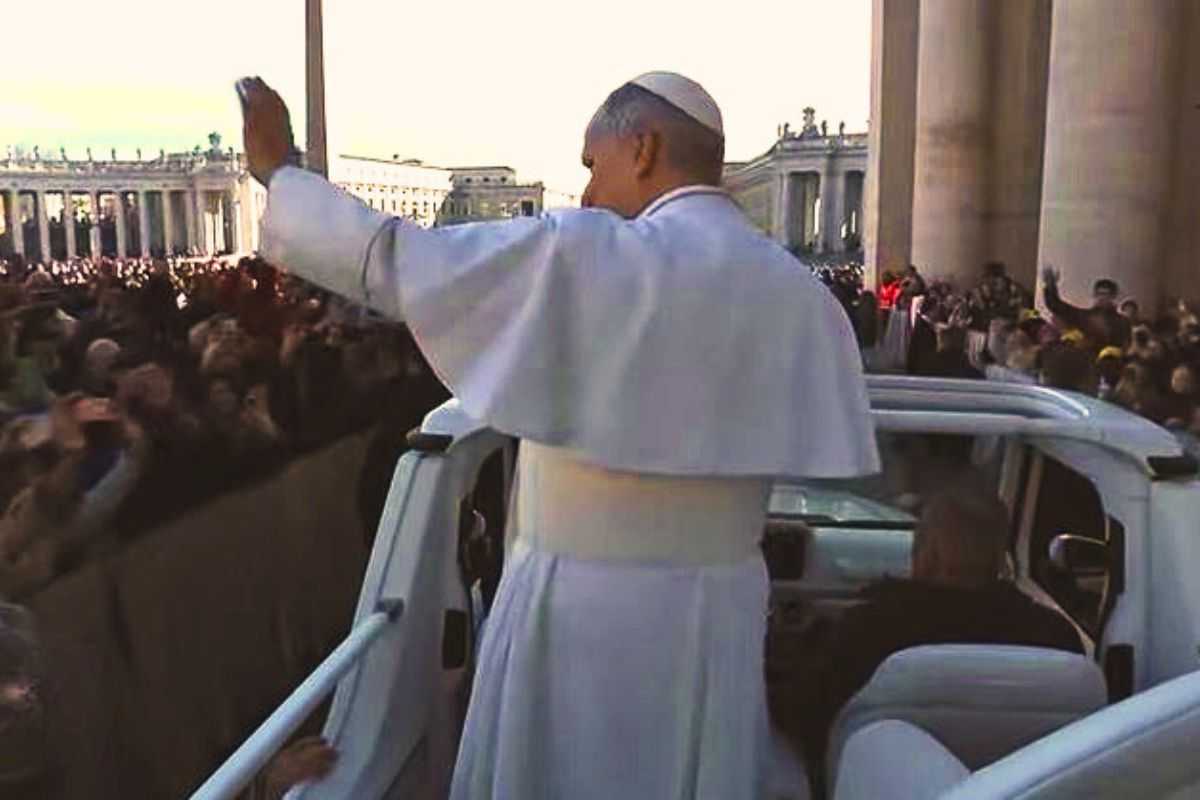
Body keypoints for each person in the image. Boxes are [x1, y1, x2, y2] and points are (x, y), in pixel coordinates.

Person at [239, 71, 879, 799]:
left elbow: (401, 261)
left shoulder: (587, 254)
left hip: (578, 613)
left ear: (642, 149)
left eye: (591, 165)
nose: (588, 193)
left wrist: (281, 176)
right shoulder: (799, 293)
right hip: (720, 612)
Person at [767, 488, 1083, 793]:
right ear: (1000, 560)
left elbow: (802, 715)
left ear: (924, 555)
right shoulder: (1058, 641)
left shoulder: (868, 631)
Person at [1040, 267, 1132, 350]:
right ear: (1094, 295)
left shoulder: (1122, 322)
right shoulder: (1085, 316)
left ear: (1113, 297)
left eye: (1106, 294)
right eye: (1099, 294)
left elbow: (1127, 346)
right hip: (1088, 361)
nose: (1102, 298)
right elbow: (1058, 307)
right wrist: (1050, 287)